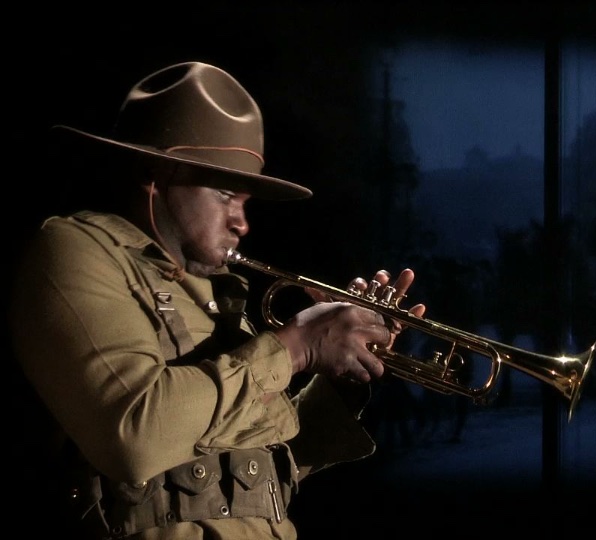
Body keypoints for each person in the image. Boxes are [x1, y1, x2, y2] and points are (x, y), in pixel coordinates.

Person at [8, 61, 426, 539]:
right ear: (157, 173)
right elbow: (134, 437)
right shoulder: (75, 251)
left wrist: (344, 370)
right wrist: (296, 346)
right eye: (227, 195)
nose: (241, 224)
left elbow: (257, 473)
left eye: (246, 203)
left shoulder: (216, 295)